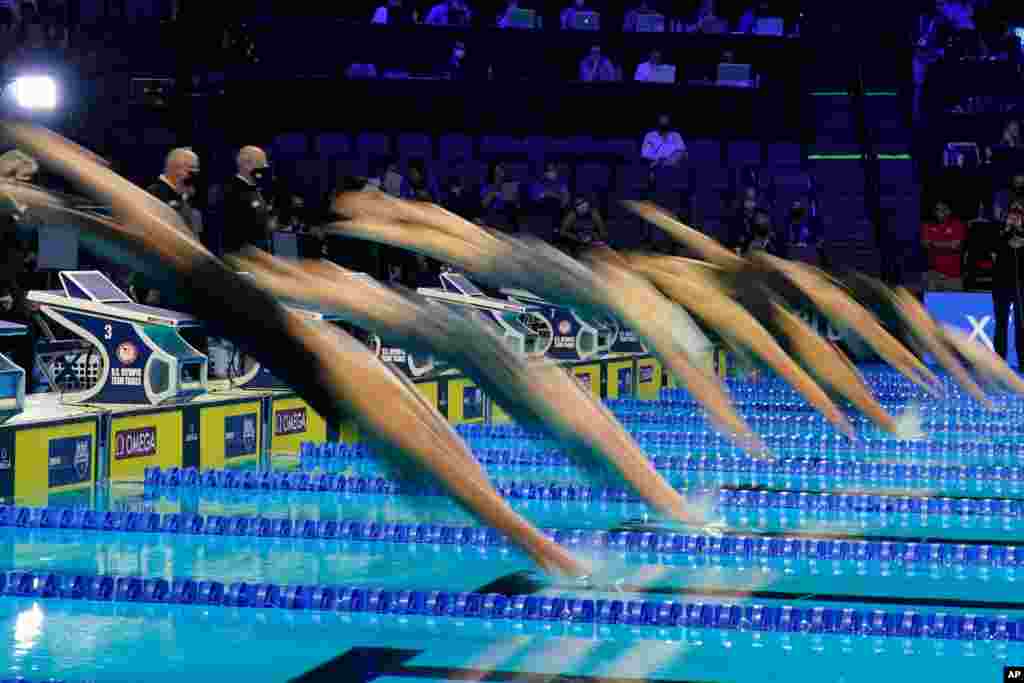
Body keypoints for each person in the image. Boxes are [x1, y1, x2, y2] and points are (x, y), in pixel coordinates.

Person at [992, 174, 1024, 365]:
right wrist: (1006, 230)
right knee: (1001, 323)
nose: (1015, 215)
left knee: (1022, 324)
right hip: (1001, 282)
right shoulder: (998, 230)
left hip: (1021, 283)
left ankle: (1022, 361)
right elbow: (993, 250)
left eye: (1019, 212)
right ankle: (999, 361)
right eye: (1013, 212)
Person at [221, 146, 275, 256]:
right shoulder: (231, 191)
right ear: (246, 164)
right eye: (261, 163)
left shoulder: (255, 189)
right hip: (244, 257)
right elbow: (233, 234)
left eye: (265, 164)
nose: (265, 167)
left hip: (260, 255)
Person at [921, 200, 966, 291]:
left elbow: (956, 245)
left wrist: (933, 243)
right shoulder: (927, 225)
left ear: (949, 211)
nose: (940, 212)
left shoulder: (958, 225)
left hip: (954, 274)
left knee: (954, 300)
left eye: (943, 209)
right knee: (932, 299)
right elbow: (925, 244)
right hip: (933, 274)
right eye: (937, 209)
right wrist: (948, 244)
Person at [480, 161, 518, 232]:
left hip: (506, 219)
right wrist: (495, 188)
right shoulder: (487, 187)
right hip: (491, 219)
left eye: (502, 172)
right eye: (497, 173)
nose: (500, 175)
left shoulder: (511, 186)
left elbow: (513, 205)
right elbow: (484, 204)